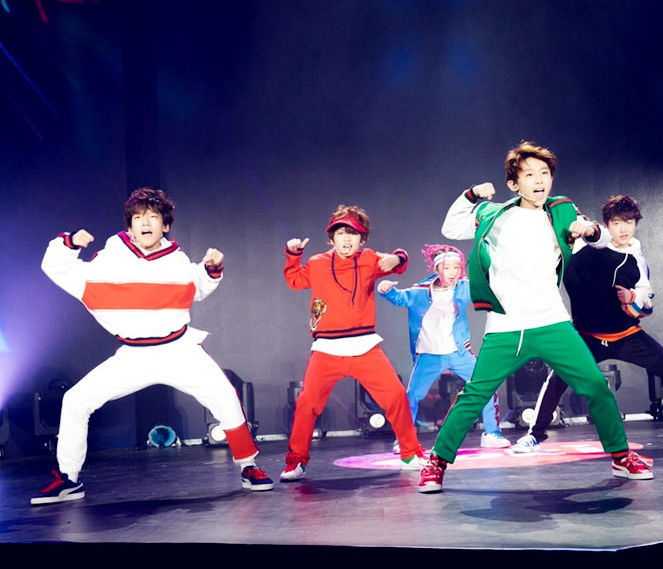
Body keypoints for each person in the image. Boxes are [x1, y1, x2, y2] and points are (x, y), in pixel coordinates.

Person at [418, 141, 653, 493]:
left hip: (552, 323)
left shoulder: (561, 210)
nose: (539, 180)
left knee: (595, 385)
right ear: (514, 184)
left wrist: (589, 231)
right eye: (529, 174)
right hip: (506, 327)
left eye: (544, 173)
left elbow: (602, 237)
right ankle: (436, 462)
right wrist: (472, 195)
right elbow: (451, 229)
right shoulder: (494, 215)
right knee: (475, 395)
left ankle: (621, 456)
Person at [32, 188, 273, 505]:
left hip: (179, 350)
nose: (145, 222)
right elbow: (56, 267)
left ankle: (248, 466)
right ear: (130, 227)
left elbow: (198, 285)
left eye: (153, 216)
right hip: (133, 356)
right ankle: (68, 479)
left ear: (165, 225)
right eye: (138, 217)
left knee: (225, 396)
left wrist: (211, 269)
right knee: (76, 400)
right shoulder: (109, 260)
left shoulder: (177, 260)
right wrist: (69, 243)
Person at [513, 195, 663, 453]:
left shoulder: (636, 257)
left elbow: (647, 298)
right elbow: (567, 230)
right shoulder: (585, 244)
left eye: (629, 222)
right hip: (587, 336)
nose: (624, 229)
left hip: (626, 335)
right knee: (558, 377)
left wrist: (632, 297)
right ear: (607, 224)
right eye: (617, 223)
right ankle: (534, 435)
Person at [280, 204, 425, 481]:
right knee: (307, 404)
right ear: (331, 238)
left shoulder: (369, 259)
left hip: (364, 346)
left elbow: (400, 261)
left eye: (353, 233)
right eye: (340, 233)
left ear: (362, 239)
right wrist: (293, 255)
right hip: (327, 348)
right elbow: (294, 281)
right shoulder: (318, 263)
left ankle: (409, 454)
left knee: (396, 396)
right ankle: (295, 461)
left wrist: (396, 258)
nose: (346, 239)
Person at [378, 244, 510, 450]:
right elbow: (399, 298)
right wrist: (386, 289)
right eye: (447, 268)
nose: (452, 273)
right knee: (411, 397)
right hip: (429, 355)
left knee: (485, 386)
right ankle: (403, 441)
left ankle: (492, 433)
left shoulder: (464, 287)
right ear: (437, 269)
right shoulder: (420, 291)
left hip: (459, 353)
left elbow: (487, 285)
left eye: (456, 268)